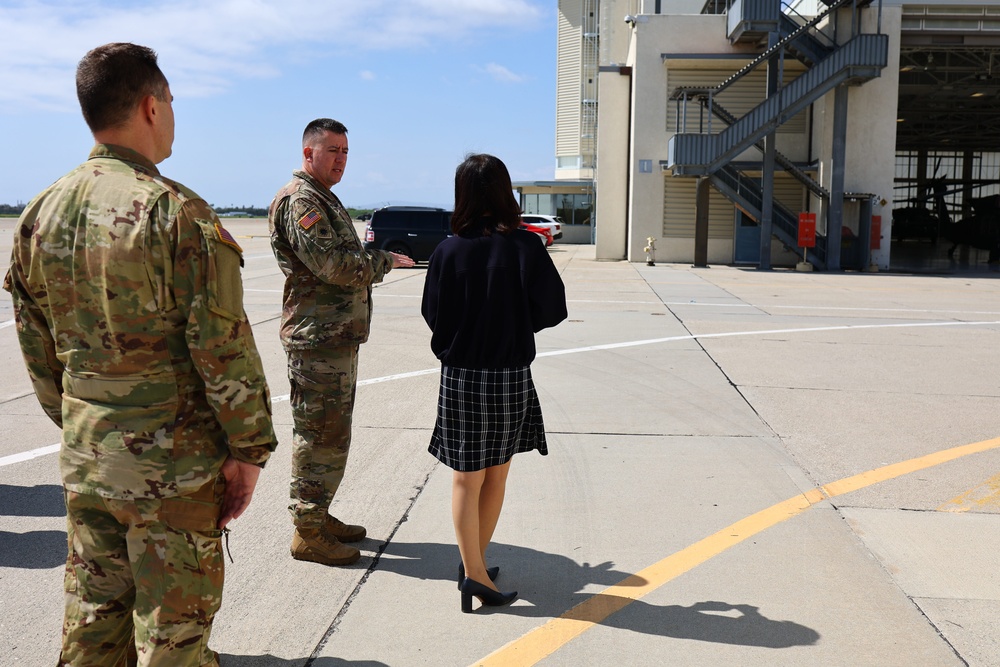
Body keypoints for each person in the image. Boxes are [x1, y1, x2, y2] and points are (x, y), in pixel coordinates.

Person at [4, 43, 277, 666]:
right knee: (172, 639)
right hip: (171, 471)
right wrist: (247, 451)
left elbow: (38, 352)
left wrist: (84, 424)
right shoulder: (177, 214)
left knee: (93, 623)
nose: (174, 115)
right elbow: (224, 352)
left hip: (89, 456)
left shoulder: (40, 213)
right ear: (151, 107)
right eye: (173, 102)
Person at [420, 154, 567, 613]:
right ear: (506, 192)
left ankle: (473, 568)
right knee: (496, 475)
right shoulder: (526, 247)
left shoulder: (448, 251)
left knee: (466, 478)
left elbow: (433, 314)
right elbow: (553, 309)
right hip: (509, 376)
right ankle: (475, 572)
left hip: (461, 376)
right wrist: (514, 325)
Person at [268, 118, 414, 566]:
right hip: (318, 341)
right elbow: (334, 266)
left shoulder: (322, 197)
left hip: (331, 337)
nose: (341, 159)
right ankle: (307, 531)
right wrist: (383, 260)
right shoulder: (302, 202)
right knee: (318, 434)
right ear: (308, 152)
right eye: (332, 150)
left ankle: (318, 514)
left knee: (331, 433)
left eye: (346, 151)